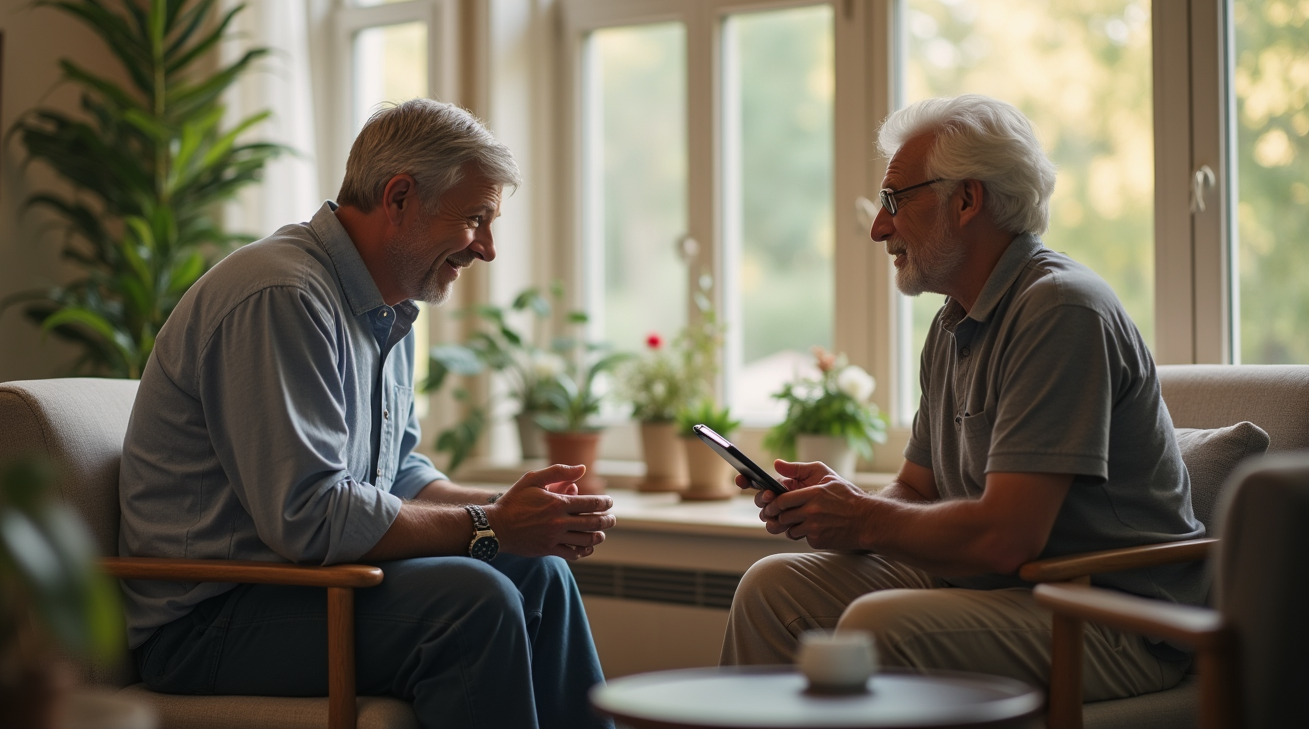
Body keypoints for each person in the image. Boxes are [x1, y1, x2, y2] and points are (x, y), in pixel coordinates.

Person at [119, 99, 616, 729]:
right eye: (475, 219)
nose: (488, 249)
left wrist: (523, 513)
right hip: (210, 619)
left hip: (309, 587)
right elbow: (309, 517)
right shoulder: (282, 295)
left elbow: (398, 475)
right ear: (400, 197)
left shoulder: (388, 308)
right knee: (473, 601)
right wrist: (491, 522)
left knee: (539, 572)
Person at [721, 95, 1204, 702]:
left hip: (1114, 617)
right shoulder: (954, 322)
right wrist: (837, 508)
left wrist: (865, 518)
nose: (877, 226)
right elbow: (917, 493)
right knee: (772, 588)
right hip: (997, 587)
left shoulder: (1061, 309)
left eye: (895, 199)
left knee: (878, 626)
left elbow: (1007, 536)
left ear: (967, 200)